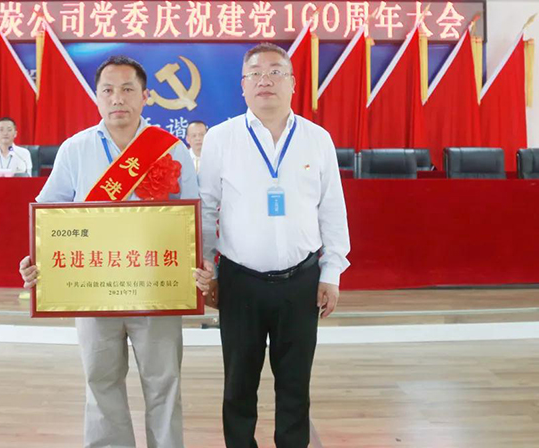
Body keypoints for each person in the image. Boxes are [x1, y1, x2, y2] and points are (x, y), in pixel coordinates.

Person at [19, 56, 198, 448]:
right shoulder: (75, 149)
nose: (118, 98)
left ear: (146, 96)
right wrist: (35, 257)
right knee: (100, 382)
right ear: (97, 97)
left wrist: (202, 268)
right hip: (93, 288)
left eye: (128, 89)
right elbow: (47, 212)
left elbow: (194, 217)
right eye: (108, 90)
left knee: (164, 383)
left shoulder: (171, 149)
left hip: (157, 288)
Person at [193, 43, 350, 448]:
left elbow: (332, 208)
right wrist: (207, 269)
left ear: (293, 83)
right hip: (239, 282)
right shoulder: (221, 138)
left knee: (295, 385)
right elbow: (206, 208)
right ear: (242, 85)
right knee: (238, 385)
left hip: (301, 281)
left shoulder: (317, 139)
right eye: (256, 73)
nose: (266, 80)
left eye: (276, 71)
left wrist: (331, 272)